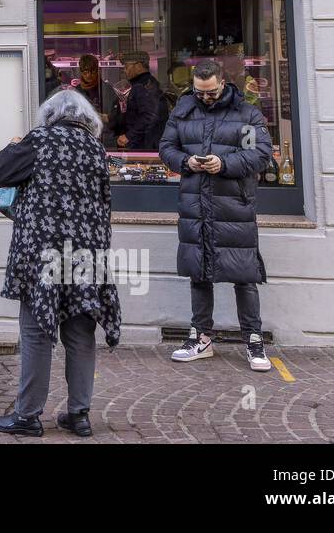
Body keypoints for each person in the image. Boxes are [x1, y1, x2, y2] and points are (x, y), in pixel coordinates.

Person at [0, 89, 121, 438]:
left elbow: (0, 170)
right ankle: (79, 415)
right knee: (80, 333)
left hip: (43, 251)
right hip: (86, 252)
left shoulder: (39, 140)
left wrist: (15, 144)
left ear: (51, 115)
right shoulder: (95, 148)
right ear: (86, 117)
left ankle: (27, 415)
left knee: (36, 332)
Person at [159, 60, 273, 372]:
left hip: (234, 206)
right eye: (200, 92)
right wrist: (186, 161)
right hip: (195, 203)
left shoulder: (246, 112)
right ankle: (201, 338)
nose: (205, 98)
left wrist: (223, 164)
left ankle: (253, 340)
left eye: (210, 93)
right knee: (199, 272)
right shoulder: (183, 109)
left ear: (222, 83)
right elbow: (166, 148)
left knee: (244, 275)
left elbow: (259, 155)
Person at [107, 50, 169, 151]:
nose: (124, 70)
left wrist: (129, 136)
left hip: (144, 145)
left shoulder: (143, 86)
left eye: (126, 66)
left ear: (139, 66)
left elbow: (150, 115)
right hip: (142, 143)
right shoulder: (143, 84)